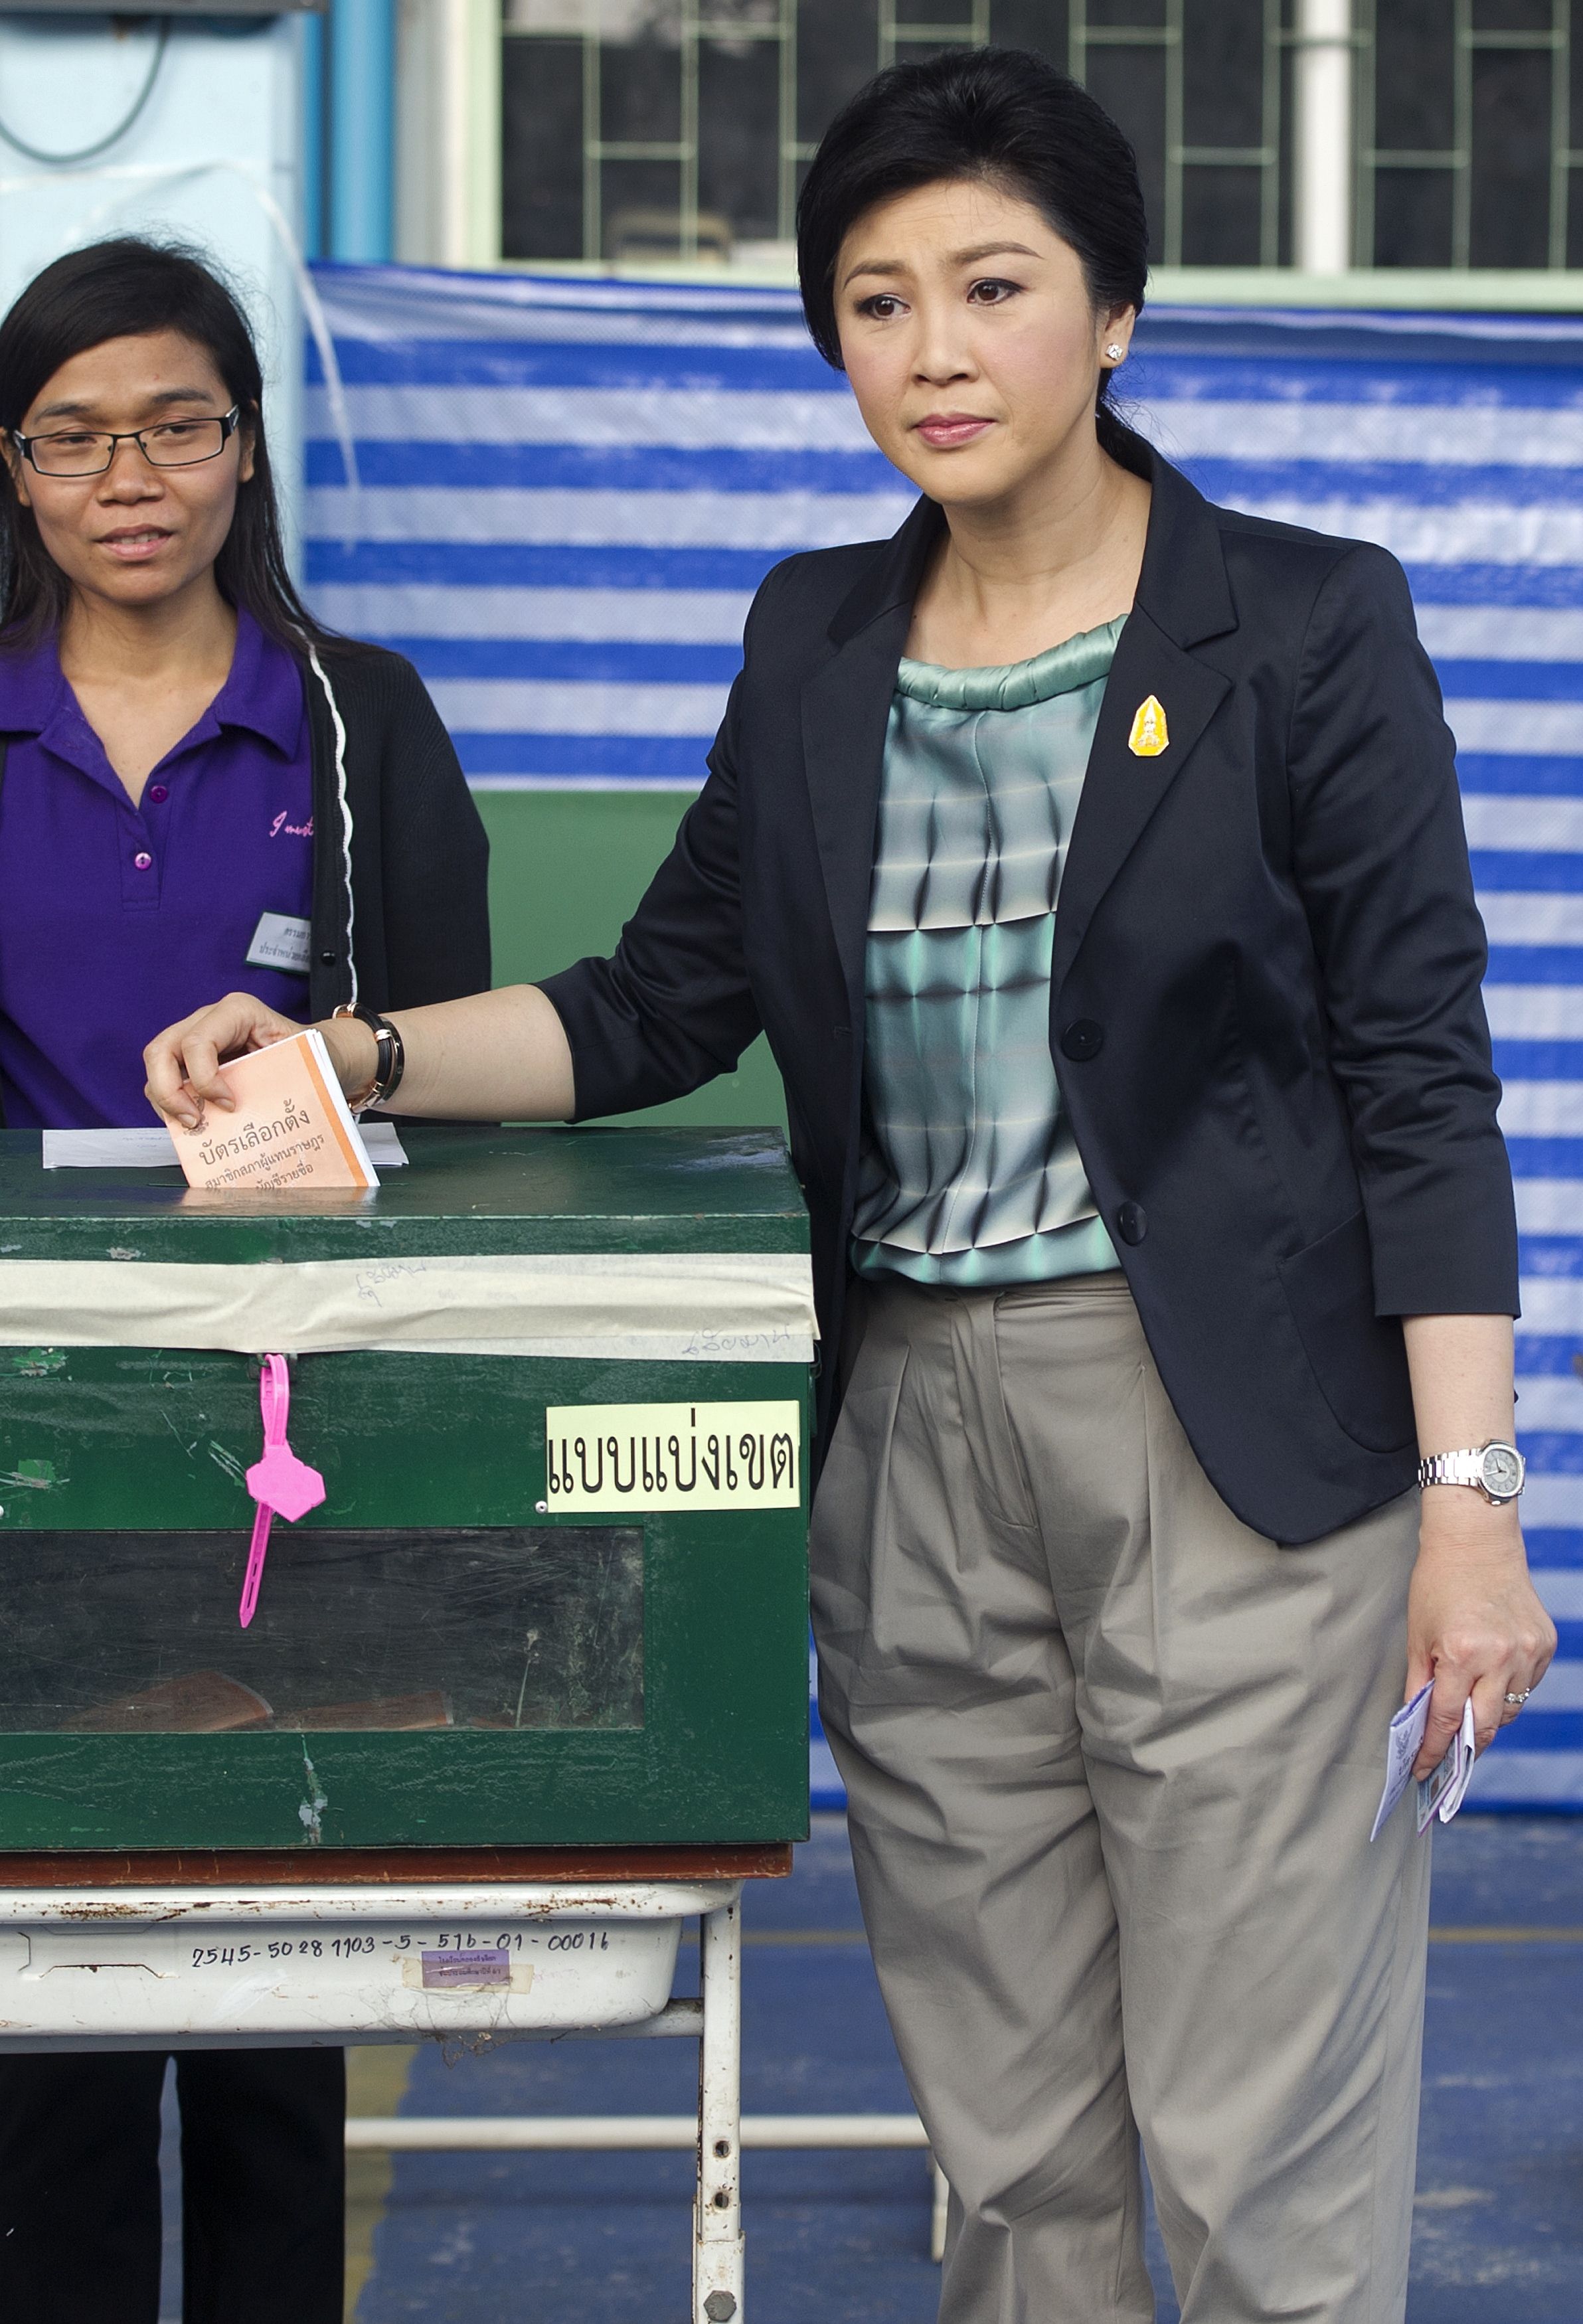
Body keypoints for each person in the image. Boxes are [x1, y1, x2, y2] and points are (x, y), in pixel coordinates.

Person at [146, 52, 1554, 2324]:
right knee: (1011, 2145)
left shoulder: (1305, 626)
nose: (933, 350)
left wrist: (1472, 1502)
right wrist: (352, 1051)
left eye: (995, 286)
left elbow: (1420, 1073)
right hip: (906, 1432)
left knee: (1259, 2136)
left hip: (1228, 1445)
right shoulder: (815, 634)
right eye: (878, 302)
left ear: (1114, 311)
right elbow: (655, 1002)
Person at [0, 237, 488, 2324]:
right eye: (73, 436)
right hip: (34, 1447)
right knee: (51, 2003)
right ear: (15, 468)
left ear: (246, 448)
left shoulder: (357, 721)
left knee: (284, 1991)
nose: (130, 478)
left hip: (306, 1434)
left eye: (177, 425)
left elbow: (452, 1066)